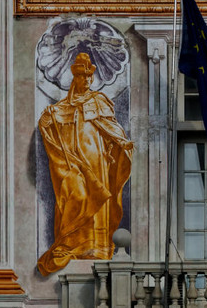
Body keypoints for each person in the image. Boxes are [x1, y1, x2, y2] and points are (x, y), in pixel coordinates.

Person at [36, 52, 135, 275]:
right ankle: (70, 242)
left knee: (98, 201)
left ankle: (97, 247)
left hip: (97, 159)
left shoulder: (99, 101)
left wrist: (122, 143)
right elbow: (49, 123)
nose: (87, 80)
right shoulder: (63, 105)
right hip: (73, 160)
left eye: (89, 77)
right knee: (75, 193)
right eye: (83, 76)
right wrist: (47, 118)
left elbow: (112, 127)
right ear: (76, 78)